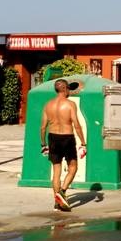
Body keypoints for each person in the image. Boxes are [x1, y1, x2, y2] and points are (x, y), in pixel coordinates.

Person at [40, 79, 86, 212]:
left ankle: (57, 202)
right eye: (69, 89)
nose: (69, 91)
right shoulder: (70, 104)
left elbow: (43, 127)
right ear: (65, 89)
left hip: (53, 138)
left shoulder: (48, 105)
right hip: (67, 138)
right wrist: (83, 143)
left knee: (56, 171)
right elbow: (76, 125)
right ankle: (62, 191)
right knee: (73, 167)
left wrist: (43, 144)